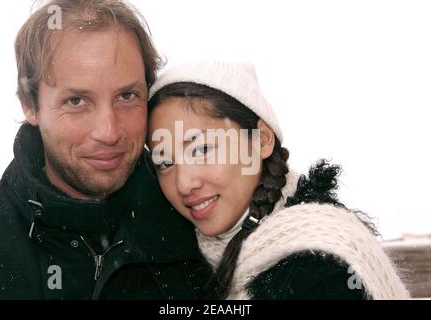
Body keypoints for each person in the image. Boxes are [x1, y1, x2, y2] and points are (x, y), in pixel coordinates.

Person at [0, 1, 213, 300]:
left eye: (127, 96)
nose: (109, 132)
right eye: (76, 101)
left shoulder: (201, 216)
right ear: (30, 105)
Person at [146, 61, 410, 299]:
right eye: (165, 163)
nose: (184, 183)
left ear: (261, 140)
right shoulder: (181, 259)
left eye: (202, 150)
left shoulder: (323, 269)